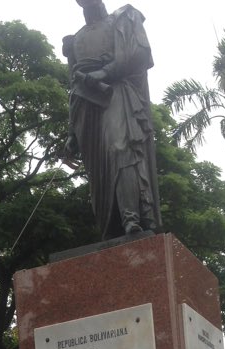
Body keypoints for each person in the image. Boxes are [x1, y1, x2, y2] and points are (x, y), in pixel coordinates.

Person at [63, 0, 161, 239]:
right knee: (99, 172)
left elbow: (139, 54)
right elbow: (73, 85)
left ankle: (132, 218)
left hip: (116, 91)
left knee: (120, 148)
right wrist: (71, 132)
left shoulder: (123, 18)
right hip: (86, 104)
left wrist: (104, 72)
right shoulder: (74, 40)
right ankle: (112, 226)